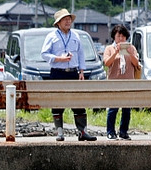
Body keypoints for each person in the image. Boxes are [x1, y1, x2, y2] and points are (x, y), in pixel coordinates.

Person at [41, 9, 96, 141]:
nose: (68, 21)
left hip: (73, 72)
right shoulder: (51, 36)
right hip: (57, 72)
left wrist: (82, 71)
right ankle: (59, 132)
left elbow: (81, 54)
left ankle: (83, 131)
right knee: (58, 103)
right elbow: (44, 53)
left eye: (69, 19)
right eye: (65, 19)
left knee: (78, 102)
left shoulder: (76, 36)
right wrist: (58, 58)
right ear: (58, 23)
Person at [102, 24, 138, 140]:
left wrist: (129, 53)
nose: (121, 39)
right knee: (113, 108)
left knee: (127, 108)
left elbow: (136, 63)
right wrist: (115, 53)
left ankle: (123, 131)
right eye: (118, 36)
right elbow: (107, 63)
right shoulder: (109, 48)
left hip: (128, 82)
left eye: (123, 36)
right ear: (114, 37)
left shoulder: (131, 48)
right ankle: (110, 131)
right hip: (114, 82)